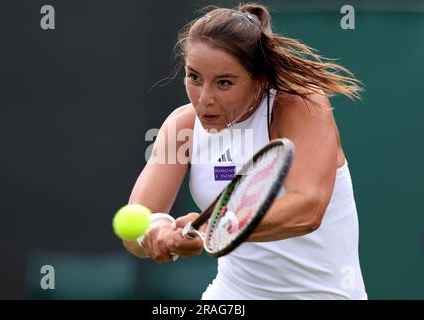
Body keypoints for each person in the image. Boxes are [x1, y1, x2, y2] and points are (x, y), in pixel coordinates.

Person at [122, 3, 367, 300]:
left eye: (224, 82)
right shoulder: (182, 126)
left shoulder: (301, 106)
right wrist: (157, 232)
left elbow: (307, 210)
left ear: (259, 80)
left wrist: (214, 227)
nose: (204, 98)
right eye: (194, 77)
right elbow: (137, 218)